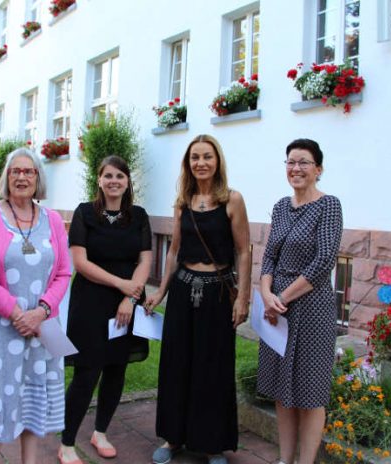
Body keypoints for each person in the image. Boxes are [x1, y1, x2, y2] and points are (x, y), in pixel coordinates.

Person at [145, 134, 251, 464]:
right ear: (188, 164)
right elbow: (174, 249)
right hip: (182, 290)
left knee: (213, 367)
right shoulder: (183, 202)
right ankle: (173, 438)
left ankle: (212, 443)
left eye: (207, 157)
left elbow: (244, 251)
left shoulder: (232, 200)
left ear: (217, 161)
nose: (201, 163)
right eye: (195, 158)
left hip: (218, 293)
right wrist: (160, 290)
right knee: (177, 365)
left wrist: (243, 297)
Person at [0, 147, 72, 464]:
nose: (22, 177)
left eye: (29, 171)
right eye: (16, 171)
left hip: (42, 328)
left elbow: (64, 271)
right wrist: (17, 314)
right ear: (7, 178)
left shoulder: (53, 220)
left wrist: (40, 313)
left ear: (37, 178)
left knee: (33, 397)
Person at [58, 155, 152, 464]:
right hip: (90, 301)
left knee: (116, 368)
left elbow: (145, 262)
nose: (114, 181)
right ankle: (67, 442)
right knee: (87, 372)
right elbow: (81, 263)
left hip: (125, 303)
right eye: (108, 176)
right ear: (99, 180)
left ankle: (100, 433)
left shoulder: (138, 216)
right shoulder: (85, 213)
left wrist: (130, 296)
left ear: (127, 182)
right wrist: (121, 285)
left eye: (120, 176)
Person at [257, 138, 343, 464]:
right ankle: (284, 459)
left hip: (311, 308)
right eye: (291, 162)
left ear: (318, 169)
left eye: (304, 162)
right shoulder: (281, 206)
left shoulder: (328, 205)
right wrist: (266, 294)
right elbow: (269, 259)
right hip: (276, 311)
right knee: (283, 390)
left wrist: (281, 296)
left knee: (310, 393)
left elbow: (323, 262)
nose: (296, 168)